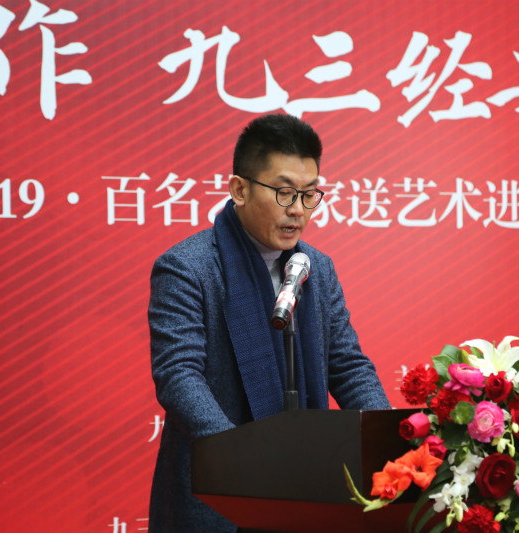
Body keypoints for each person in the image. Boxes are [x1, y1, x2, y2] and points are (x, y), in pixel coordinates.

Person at [147, 114, 390, 533]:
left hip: (306, 482)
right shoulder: (187, 268)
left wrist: (389, 441)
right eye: (284, 192)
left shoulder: (317, 268)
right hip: (216, 489)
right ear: (239, 189)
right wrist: (240, 458)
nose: (297, 210)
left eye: (309, 194)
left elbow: (348, 365)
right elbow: (178, 376)